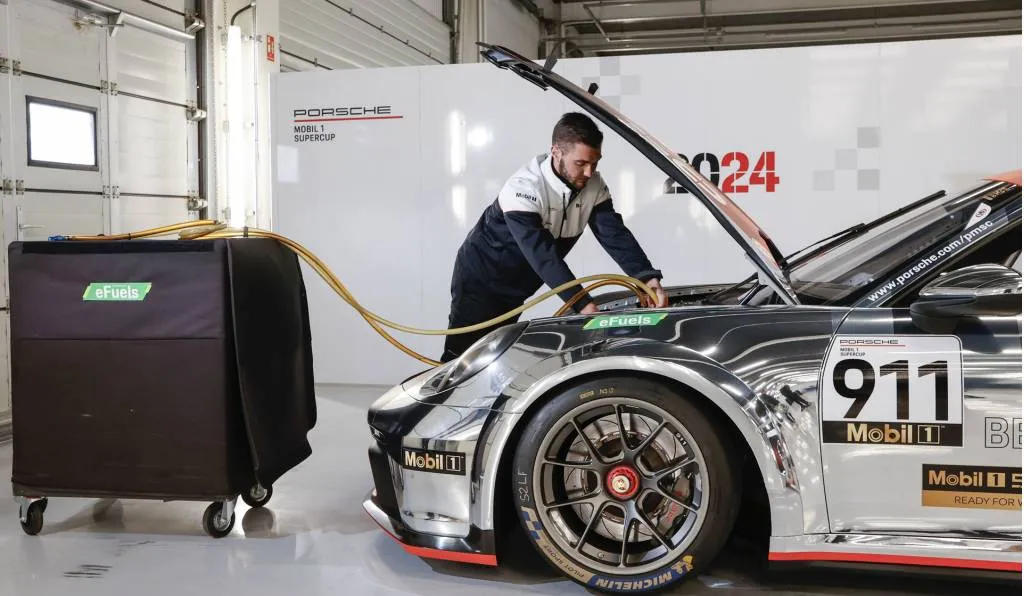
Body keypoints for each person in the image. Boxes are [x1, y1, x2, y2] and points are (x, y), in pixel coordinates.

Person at [441, 112, 668, 362]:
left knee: (494, 359)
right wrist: (582, 304)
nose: (589, 172)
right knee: (460, 364)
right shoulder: (523, 188)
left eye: (595, 162)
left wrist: (646, 277)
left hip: (517, 290)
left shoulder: (592, 185)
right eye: (580, 163)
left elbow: (615, 235)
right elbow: (544, 256)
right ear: (556, 152)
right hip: (480, 281)